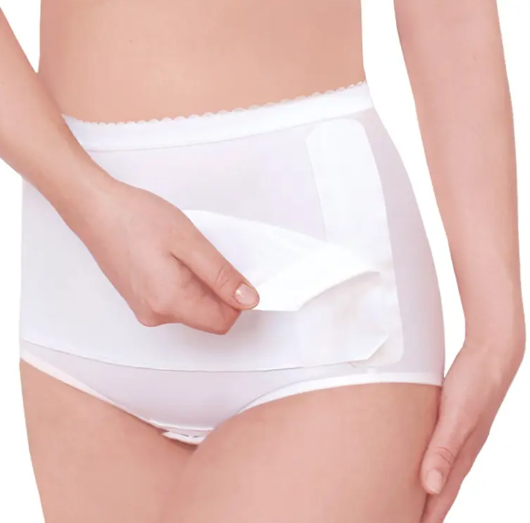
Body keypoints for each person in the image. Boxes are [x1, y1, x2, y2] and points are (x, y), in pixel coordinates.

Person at [0, 1, 524, 522]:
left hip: (326, 294)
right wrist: (88, 202)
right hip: (78, 297)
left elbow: (449, 14)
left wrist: (496, 330)